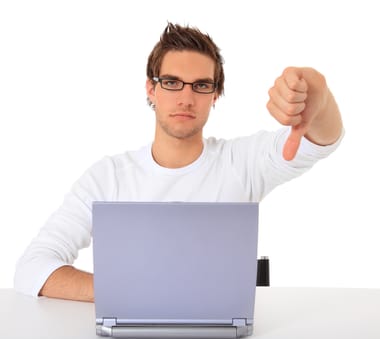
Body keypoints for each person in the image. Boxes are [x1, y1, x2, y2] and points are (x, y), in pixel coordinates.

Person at [14, 22, 344, 302]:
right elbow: (32, 268)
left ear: (215, 96)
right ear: (151, 89)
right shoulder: (107, 177)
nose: (186, 98)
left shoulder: (241, 162)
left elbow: (322, 138)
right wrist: (129, 292)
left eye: (201, 85)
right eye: (171, 82)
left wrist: (318, 91)